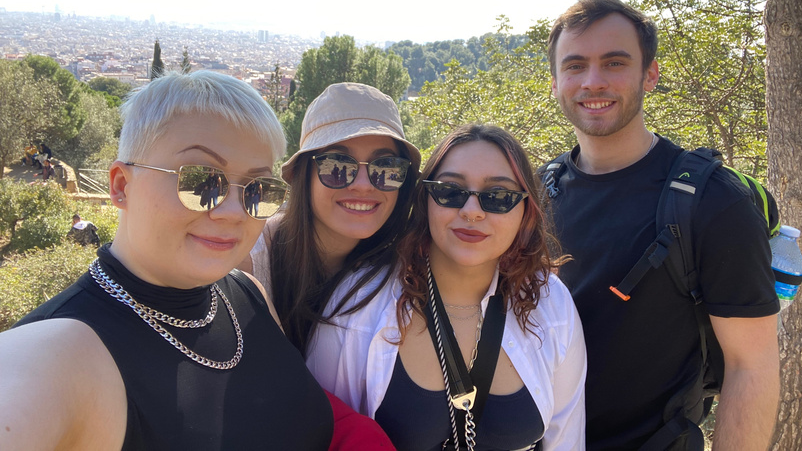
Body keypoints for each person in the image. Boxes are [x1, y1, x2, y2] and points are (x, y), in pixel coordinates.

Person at [0, 70, 334, 450]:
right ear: (122, 186)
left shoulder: (248, 292)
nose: (234, 212)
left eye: (256, 189)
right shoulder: (63, 352)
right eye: (200, 181)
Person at [542, 0, 780, 450]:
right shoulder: (537, 191)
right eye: (574, 66)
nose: (593, 82)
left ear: (649, 74)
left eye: (614, 63)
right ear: (555, 81)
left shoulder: (712, 201)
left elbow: (752, 364)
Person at [307, 124, 587, 451]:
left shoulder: (549, 304)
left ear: (526, 211)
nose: (471, 212)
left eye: (498, 197)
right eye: (450, 191)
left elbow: (566, 439)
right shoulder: (357, 304)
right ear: (425, 200)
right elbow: (322, 434)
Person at [240, 82, 421, 356]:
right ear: (305, 175)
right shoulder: (248, 263)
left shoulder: (406, 274)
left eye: (385, 168)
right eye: (337, 165)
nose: (363, 185)